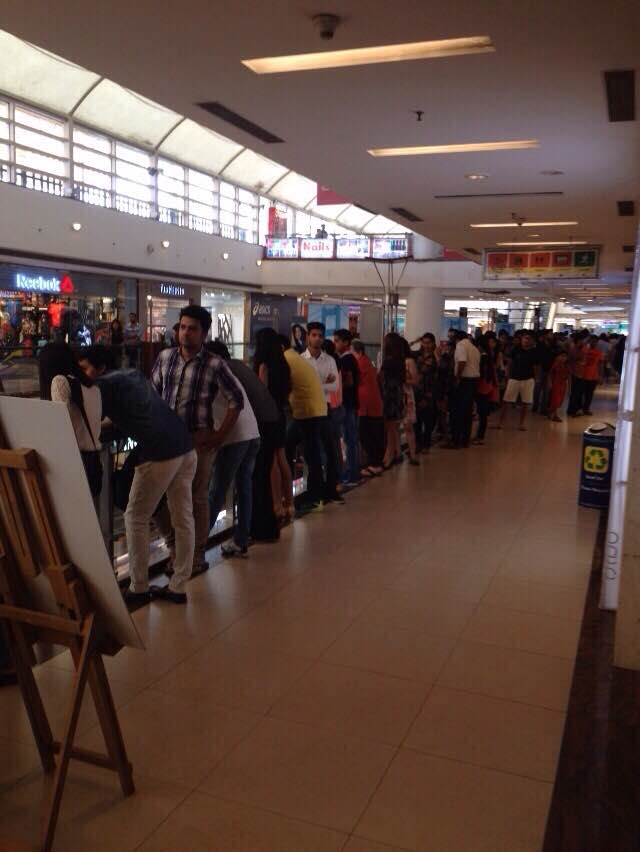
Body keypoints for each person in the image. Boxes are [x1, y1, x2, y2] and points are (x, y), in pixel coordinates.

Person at [78, 346, 197, 605]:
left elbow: (89, 424)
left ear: (99, 369)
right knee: (183, 517)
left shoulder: (100, 386)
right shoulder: (131, 374)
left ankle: (139, 586)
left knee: (135, 517)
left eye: (85, 368)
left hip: (160, 452)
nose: (82, 374)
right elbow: (137, 411)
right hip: (185, 445)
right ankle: (178, 586)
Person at [151, 305, 245, 573]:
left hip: (198, 440)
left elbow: (236, 400)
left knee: (196, 499)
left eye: (192, 329)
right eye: (182, 327)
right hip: (166, 441)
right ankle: (175, 547)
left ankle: (195, 556)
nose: (185, 333)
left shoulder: (214, 364)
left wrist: (219, 435)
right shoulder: (165, 358)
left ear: (204, 333)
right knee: (161, 498)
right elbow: (153, 394)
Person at [207, 341, 281, 543]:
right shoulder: (238, 366)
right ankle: (244, 537)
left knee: (218, 490)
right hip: (255, 430)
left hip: (240, 434)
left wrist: (217, 436)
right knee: (247, 484)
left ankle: (198, 544)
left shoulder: (219, 372)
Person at [203, 346, 261, 559]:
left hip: (235, 438)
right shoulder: (231, 374)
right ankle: (241, 540)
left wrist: (216, 437)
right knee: (244, 488)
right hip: (253, 434)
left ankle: (196, 548)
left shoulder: (212, 374)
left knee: (216, 492)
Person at [39, 342, 103, 500]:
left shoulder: (59, 382)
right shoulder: (93, 388)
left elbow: (59, 428)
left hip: (71, 468)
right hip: (92, 464)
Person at [283, 335, 334, 511]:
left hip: (308, 413)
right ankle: (300, 494)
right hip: (312, 411)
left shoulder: (285, 359)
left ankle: (315, 498)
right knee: (289, 447)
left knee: (311, 455)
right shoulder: (296, 357)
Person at [254, 327, 294, 525]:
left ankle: (276, 505)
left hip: (267, 417)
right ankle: (290, 503)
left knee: (271, 463)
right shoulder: (283, 365)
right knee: (282, 457)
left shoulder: (264, 366)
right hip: (280, 413)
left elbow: (262, 393)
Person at [303, 326, 344, 499]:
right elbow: (301, 387)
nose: (318, 339)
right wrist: (323, 383)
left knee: (331, 450)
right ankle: (314, 492)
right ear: (308, 337)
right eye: (314, 335)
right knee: (312, 453)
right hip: (306, 411)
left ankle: (331, 489)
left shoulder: (330, 361)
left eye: (320, 336)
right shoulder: (301, 360)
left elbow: (335, 386)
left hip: (325, 409)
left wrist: (315, 385)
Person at [352, 339, 384, 475]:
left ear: (357, 351)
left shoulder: (359, 364)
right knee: (371, 434)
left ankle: (375, 463)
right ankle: (375, 462)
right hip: (372, 403)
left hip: (366, 405)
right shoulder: (367, 362)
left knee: (365, 434)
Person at [333, 329, 361, 485]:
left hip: (348, 403)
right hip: (350, 403)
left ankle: (351, 473)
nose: (335, 343)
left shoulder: (347, 360)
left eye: (337, 340)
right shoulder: (348, 359)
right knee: (350, 439)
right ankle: (352, 471)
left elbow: (349, 382)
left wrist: (336, 384)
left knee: (349, 439)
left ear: (346, 342)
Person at [498, 330, 540, 431]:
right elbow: (510, 363)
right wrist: (507, 375)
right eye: (524, 338)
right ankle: (501, 422)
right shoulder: (515, 349)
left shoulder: (534, 352)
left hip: (528, 379)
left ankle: (521, 423)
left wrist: (536, 378)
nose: (526, 341)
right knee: (506, 400)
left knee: (525, 402)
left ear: (532, 341)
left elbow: (536, 366)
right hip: (514, 378)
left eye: (528, 339)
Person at [446, 331, 480, 447]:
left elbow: (462, 361)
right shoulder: (474, 348)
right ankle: (465, 439)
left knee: (457, 411)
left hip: (464, 381)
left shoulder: (460, 345)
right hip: (473, 381)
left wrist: (457, 378)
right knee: (467, 412)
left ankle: (456, 440)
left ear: (457, 339)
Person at [379, 332, 406, 468]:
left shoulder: (388, 361)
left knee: (390, 427)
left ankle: (388, 456)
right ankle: (397, 453)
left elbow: (381, 378)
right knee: (394, 426)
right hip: (397, 394)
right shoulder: (401, 360)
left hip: (390, 395)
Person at [413, 333, 438, 454]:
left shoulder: (435, 357)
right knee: (416, 421)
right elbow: (405, 349)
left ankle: (426, 445)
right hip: (417, 391)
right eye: (424, 342)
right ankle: (418, 444)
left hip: (429, 392)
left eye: (428, 342)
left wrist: (429, 395)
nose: (426, 345)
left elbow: (436, 376)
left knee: (427, 420)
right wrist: (415, 341)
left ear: (433, 343)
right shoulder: (417, 355)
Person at [474, 333, 499, 444]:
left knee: (482, 413)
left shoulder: (483, 357)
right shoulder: (488, 356)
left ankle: (480, 436)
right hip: (487, 386)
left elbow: (482, 373)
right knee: (483, 413)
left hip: (481, 387)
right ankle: (480, 435)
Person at [401, 338, 420, 465]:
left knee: (408, 426)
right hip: (398, 395)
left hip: (406, 395)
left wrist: (401, 380)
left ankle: (413, 454)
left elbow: (415, 381)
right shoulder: (395, 361)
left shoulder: (409, 361)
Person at [581, 335, 605, 416]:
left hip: (593, 376)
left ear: (597, 342)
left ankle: (586, 409)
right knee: (581, 393)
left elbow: (601, 365)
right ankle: (581, 408)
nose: (593, 343)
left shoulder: (599, 352)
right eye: (591, 341)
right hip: (582, 375)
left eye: (595, 341)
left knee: (589, 394)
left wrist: (600, 376)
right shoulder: (584, 350)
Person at [567, 334, 587, 417]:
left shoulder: (580, 349)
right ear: (578, 341)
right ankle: (572, 410)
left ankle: (574, 409)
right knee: (575, 393)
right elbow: (574, 360)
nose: (583, 342)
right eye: (581, 341)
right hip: (575, 374)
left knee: (578, 393)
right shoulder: (574, 350)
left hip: (580, 373)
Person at [547, 350, 570, 422]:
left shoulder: (567, 366)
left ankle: (550, 411)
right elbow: (550, 374)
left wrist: (569, 387)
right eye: (562, 356)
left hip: (563, 384)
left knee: (560, 400)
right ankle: (555, 415)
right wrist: (550, 383)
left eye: (565, 356)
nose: (563, 358)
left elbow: (569, 377)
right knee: (556, 400)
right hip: (556, 383)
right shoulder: (555, 364)